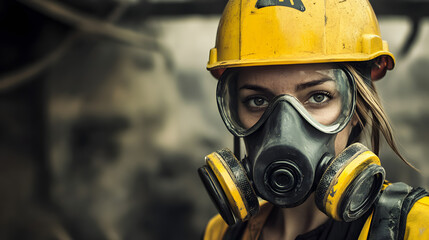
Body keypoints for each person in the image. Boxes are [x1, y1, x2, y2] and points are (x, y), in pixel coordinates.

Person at [197, 0, 429, 239]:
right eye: (258, 101)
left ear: (358, 109)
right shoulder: (222, 233)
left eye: (318, 96)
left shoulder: (416, 228)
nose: (282, 128)